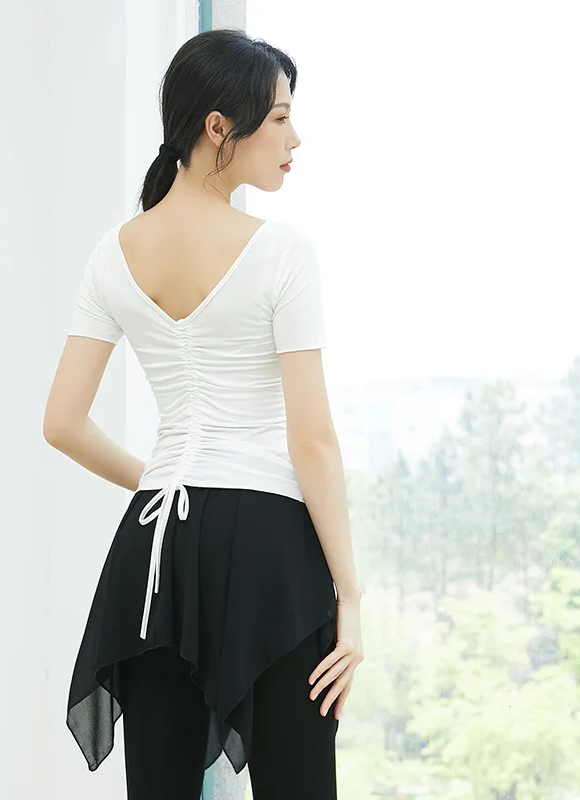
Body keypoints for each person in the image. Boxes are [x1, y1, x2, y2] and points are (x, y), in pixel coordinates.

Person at [43, 27, 364, 800]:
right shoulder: (283, 252)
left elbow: (62, 424)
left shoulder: (114, 253)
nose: (294, 138)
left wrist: (162, 483)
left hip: (153, 549)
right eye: (280, 118)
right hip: (267, 547)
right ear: (219, 127)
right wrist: (351, 597)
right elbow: (313, 442)